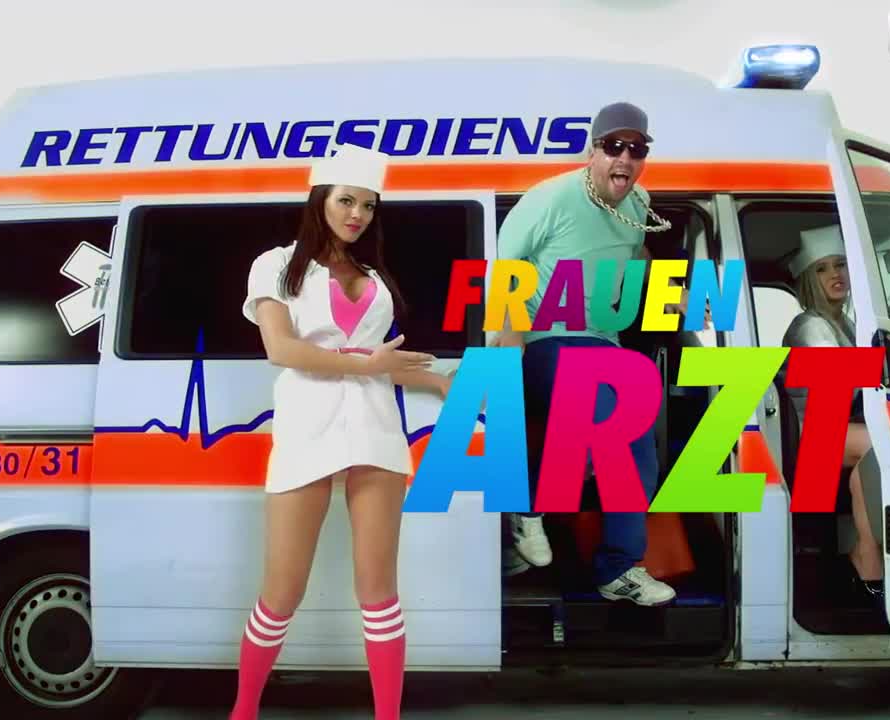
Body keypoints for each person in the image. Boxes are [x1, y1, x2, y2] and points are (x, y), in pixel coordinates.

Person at [232, 144, 452, 720]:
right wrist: (368, 365)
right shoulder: (276, 265)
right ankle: (243, 711)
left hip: (376, 430)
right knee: (282, 591)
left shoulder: (373, 277)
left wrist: (438, 384)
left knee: (379, 592)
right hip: (308, 428)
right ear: (320, 200)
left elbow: (382, 364)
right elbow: (282, 349)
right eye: (347, 201)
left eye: (369, 206)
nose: (358, 214)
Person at [492, 101, 677, 606]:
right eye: (614, 146)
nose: (625, 158)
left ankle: (618, 569)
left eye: (636, 149)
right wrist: (509, 339)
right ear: (593, 150)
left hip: (602, 339)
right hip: (544, 336)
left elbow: (636, 253)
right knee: (602, 408)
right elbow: (504, 265)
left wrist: (672, 292)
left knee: (637, 435)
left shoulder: (638, 204)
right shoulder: (550, 198)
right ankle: (528, 510)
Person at [781, 223, 885, 605]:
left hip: (836, 428)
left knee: (873, 458)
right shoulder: (810, 326)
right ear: (810, 279)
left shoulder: (845, 323)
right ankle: (867, 556)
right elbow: (840, 379)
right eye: (822, 269)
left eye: (840, 264)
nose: (835, 274)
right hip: (811, 434)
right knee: (879, 446)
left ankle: (867, 556)